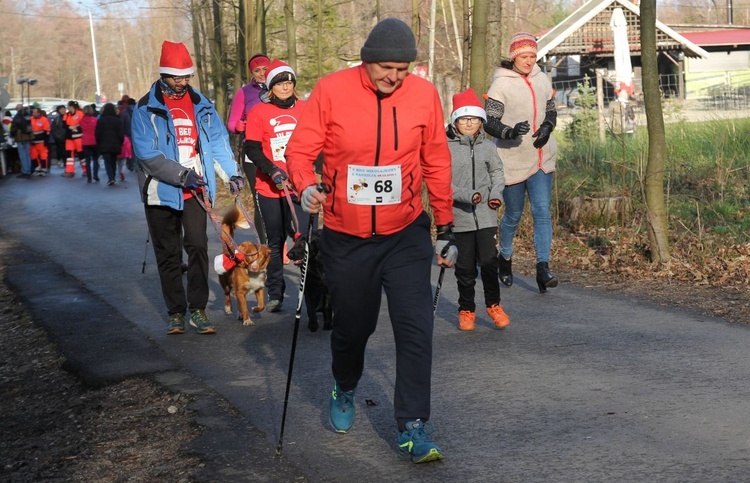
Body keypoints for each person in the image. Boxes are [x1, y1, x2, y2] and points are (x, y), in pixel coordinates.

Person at [285, 17, 457, 464]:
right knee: (354, 327)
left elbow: (436, 158)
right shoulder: (331, 90)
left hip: (405, 231)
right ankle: (344, 385)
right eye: (387, 68)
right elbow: (300, 151)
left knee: (416, 326)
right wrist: (306, 186)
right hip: (347, 234)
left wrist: (445, 224)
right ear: (367, 61)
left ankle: (414, 425)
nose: (394, 78)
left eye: (403, 70)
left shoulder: (423, 95)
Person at [131, 40, 244, 335]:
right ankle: (175, 312)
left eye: (186, 77)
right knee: (168, 253)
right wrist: (182, 175)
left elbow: (218, 143)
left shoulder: (202, 105)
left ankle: (198, 309)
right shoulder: (145, 108)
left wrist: (232, 174)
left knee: (197, 246)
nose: (182, 83)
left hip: (195, 189)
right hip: (160, 190)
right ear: (163, 75)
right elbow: (147, 154)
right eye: (176, 77)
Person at [484, 32, 559, 294]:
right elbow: (490, 122)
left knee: (541, 212)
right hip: (512, 159)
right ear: (514, 56)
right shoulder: (501, 84)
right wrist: (510, 131)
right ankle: (504, 258)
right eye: (524, 56)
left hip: (542, 157)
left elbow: (551, 108)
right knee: (514, 215)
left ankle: (543, 268)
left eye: (532, 56)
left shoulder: (541, 79)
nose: (529, 61)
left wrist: (548, 126)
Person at [243, 58, 308, 313]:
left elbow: (319, 143)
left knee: (305, 239)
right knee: (274, 240)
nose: (285, 86)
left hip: (301, 186)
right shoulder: (259, 112)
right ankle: (275, 293)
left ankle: (309, 290)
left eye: (289, 81)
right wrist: (272, 170)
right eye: (280, 82)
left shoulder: (305, 109)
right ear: (271, 86)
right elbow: (252, 148)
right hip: (270, 188)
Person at [447, 88, 509, 331]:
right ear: (455, 121)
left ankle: (493, 305)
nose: (469, 123)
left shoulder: (488, 147)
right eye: (464, 118)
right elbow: (441, 182)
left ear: (481, 121)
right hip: (459, 216)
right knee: (464, 268)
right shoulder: (446, 147)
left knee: (489, 262)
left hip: (486, 215)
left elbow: (497, 173)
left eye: (473, 118)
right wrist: (466, 195)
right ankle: (467, 309)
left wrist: (495, 195)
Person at [227, 53, 271, 244]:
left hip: (278, 150)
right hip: (253, 150)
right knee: (260, 199)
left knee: (283, 199)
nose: (262, 74)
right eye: (257, 70)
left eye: (265, 69)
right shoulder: (244, 92)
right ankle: (266, 244)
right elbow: (231, 123)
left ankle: (282, 241)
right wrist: (239, 126)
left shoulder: (281, 87)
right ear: (251, 72)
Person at [95, 103, 124, 186]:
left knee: (107, 162)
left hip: (104, 144)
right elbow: (121, 133)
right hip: (115, 144)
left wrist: (98, 143)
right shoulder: (117, 120)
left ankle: (110, 178)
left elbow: (97, 133)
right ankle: (113, 177)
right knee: (113, 161)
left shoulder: (101, 120)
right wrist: (121, 142)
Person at [62, 101, 85, 178]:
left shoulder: (80, 113)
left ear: (72, 106)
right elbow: (64, 124)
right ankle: (69, 171)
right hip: (69, 137)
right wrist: (70, 127)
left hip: (78, 137)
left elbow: (83, 123)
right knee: (69, 155)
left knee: (81, 154)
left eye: (68, 106)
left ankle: (86, 170)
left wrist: (75, 127)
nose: (67, 108)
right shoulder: (67, 115)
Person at [10, 105, 33, 178]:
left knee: (23, 155)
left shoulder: (17, 117)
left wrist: (12, 135)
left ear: (17, 109)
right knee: (28, 155)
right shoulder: (28, 115)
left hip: (20, 138)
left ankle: (25, 171)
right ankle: (29, 170)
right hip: (28, 137)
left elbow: (13, 128)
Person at [80, 104, 100, 183]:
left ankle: (89, 177)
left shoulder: (81, 120)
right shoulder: (95, 120)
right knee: (95, 159)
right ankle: (95, 175)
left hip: (85, 141)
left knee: (87, 160)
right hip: (94, 140)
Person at [29, 107, 51, 176]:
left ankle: (44, 169)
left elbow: (47, 131)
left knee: (43, 155)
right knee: (33, 155)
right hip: (33, 141)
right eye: (33, 112)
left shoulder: (44, 120)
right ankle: (37, 169)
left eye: (36, 112)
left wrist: (46, 141)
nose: (34, 114)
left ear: (39, 113)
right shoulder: (30, 119)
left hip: (41, 141)